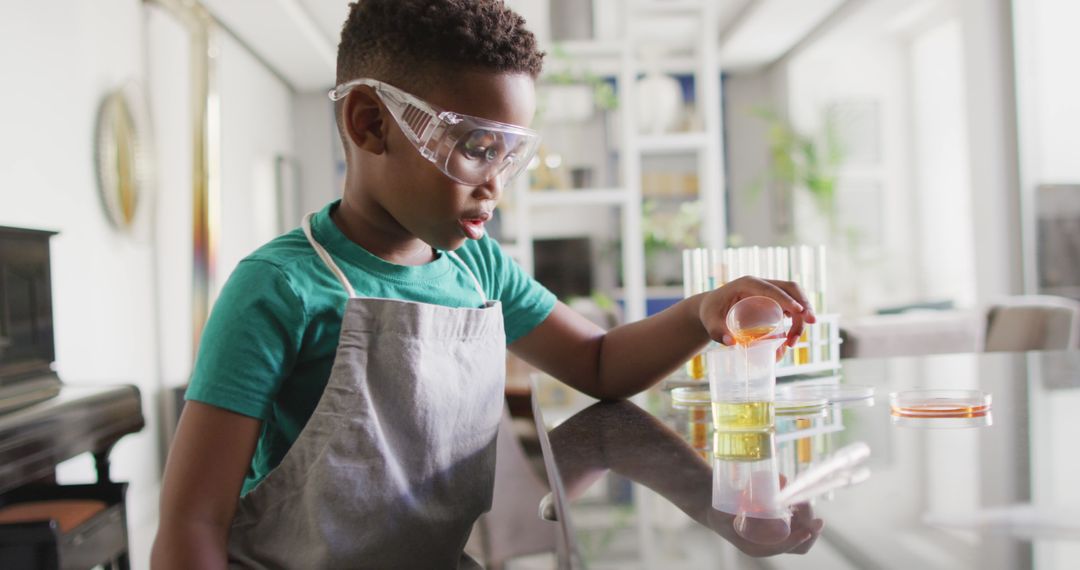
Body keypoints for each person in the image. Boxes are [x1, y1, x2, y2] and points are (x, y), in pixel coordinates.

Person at [151, 1, 815, 568]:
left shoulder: (478, 267)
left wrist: (704, 311)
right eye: (473, 145)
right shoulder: (279, 288)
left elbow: (599, 363)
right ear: (370, 124)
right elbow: (192, 526)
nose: (495, 182)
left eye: (508, 153)